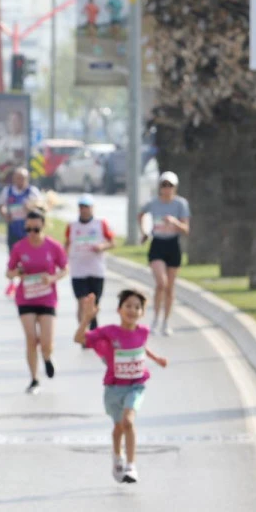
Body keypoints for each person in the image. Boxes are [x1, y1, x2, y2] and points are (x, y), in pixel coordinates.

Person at [75, 291, 168, 484]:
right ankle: (117, 457)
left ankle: (131, 466)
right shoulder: (109, 332)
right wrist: (86, 319)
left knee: (128, 422)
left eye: (137, 307)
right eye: (128, 306)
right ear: (119, 310)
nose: (132, 310)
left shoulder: (143, 331)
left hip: (136, 385)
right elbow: (79, 339)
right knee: (118, 427)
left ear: (142, 312)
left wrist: (156, 358)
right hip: (113, 388)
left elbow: (141, 347)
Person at [6, 208, 69, 395]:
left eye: (36, 229)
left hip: (47, 297)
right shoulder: (19, 247)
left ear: (43, 226)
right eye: (29, 230)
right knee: (31, 339)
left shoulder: (53, 246)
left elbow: (64, 269)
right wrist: (18, 273)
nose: (32, 234)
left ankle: (48, 357)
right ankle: (34, 379)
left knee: (47, 342)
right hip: (25, 298)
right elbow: (8, 272)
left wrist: (52, 278)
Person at [138, 171, 191, 335]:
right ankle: (155, 318)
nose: (167, 188)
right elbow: (140, 214)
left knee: (170, 287)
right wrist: (144, 232)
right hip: (157, 244)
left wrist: (174, 222)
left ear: (175, 187)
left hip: (173, 244)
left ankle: (166, 321)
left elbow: (186, 229)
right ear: (160, 187)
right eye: (164, 185)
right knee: (161, 283)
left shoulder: (180, 204)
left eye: (170, 185)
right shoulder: (153, 203)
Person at [65, 194, 116, 331]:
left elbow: (112, 243)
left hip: (96, 270)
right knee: (82, 302)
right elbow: (67, 245)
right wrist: (64, 261)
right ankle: (83, 333)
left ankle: (93, 329)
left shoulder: (101, 224)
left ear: (92, 208)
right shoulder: (72, 226)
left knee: (94, 304)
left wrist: (101, 247)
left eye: (86, 206)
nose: (84, 209)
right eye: (81, 206)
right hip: (78, 270)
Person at [0, 167, 41, 253]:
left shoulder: (32, 191)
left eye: (22, 178)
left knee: (29, 255)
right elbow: (1, 205)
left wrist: (30, 208)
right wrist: (5, 214)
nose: (20, 181)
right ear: (14, 179)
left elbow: (40, 209)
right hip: (13, 227)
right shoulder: (7, 190)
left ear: (27, 179)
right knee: (13, 254)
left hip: (29, 229)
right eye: (18, 178)